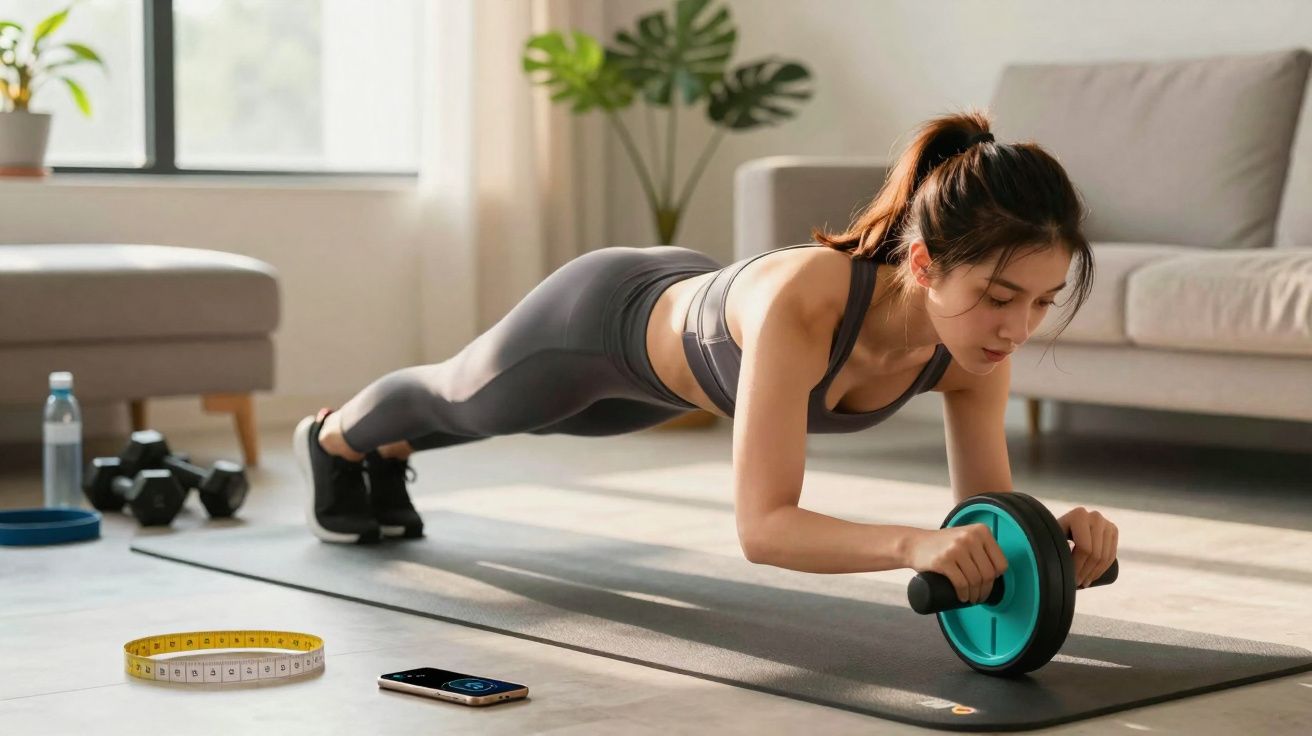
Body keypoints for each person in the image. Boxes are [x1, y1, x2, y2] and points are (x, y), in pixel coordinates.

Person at [294, 107, 1119, 605]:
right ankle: (333, 439)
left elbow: (988, 520)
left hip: (672, 377)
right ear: (923, 264)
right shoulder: (812, 301)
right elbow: (764, 529)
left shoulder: (973, 348)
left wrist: (1050, 541)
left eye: (1042, 302)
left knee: (542, 426)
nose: (1016, 327)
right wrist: (910, 544)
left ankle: (385, 450)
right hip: (602, 321)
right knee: (464, 401)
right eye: (1001, 297)